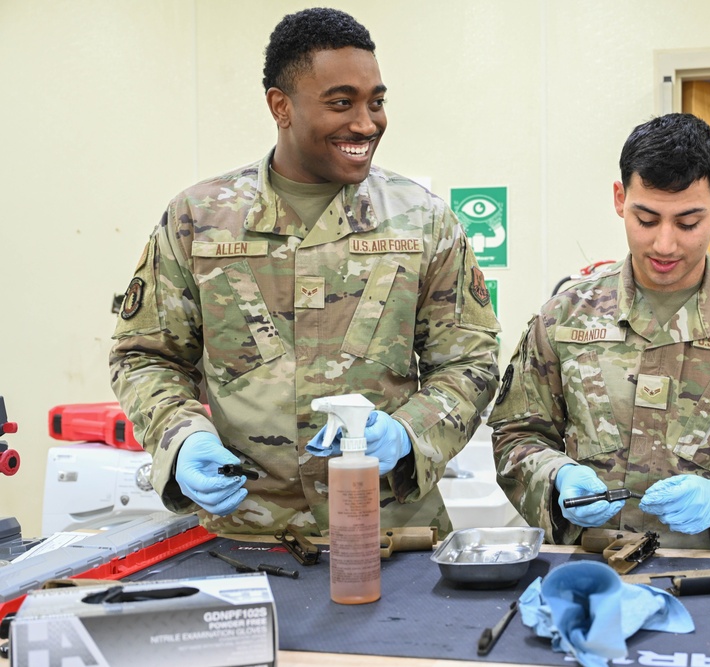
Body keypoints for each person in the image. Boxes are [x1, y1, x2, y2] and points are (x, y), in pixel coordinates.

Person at [110, 7, 500, 536]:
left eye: (376, 102)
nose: (366, 123)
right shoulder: (199, 219)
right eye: (341, 103)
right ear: (281, 106)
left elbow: (470, 363)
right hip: (249, 534)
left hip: (393, 534)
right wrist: (182, 438)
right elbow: (145, 357)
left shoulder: (423, 220)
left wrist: (409, 432)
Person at [488, 113, 710, 551]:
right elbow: (516, 437)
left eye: (687, 223)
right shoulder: (563, 318)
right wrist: (556, 476)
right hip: (590, 572)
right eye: (647, 218)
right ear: (620, 199)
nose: (664, 244)